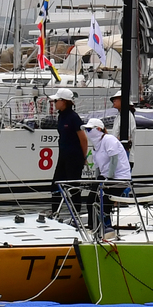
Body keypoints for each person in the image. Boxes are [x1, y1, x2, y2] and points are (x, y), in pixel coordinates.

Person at [84, 117, 132, 230]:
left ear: (99, 129)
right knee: (91, 199)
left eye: (90, 129)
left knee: (103, 200)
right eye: (86, 130)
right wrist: (96, 183)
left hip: (119, 178)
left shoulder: (108, 139)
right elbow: (98, 168)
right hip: (105, 177)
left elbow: (114, 159)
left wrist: (108, 179)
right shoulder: (96, 146)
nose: (87, 132)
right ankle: (93, 226)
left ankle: (105, 226)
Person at [49, 87, 88, 215]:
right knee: (55, 185)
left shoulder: (73, 117)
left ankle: (76, 214)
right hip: (63, 156)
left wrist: (84, 157)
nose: (54, 103)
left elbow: (83, 139)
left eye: (56, 101)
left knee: (74, 187)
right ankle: (54, 213)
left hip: (74, 157)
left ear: (64, 101)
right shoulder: (61, 117)